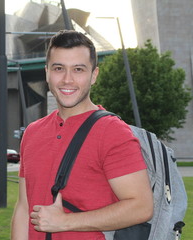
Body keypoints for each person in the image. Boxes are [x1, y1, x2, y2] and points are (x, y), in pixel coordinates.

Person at [11, 30, 154, 240]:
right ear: (47, 72)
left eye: (78, 69)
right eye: (59, 68)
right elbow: (24, 208)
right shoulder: (33, 132)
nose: (67, 79)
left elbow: (141, 207)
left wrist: (65, 222)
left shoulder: (112, 132)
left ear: (93, 75)